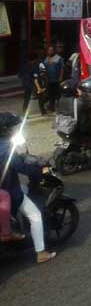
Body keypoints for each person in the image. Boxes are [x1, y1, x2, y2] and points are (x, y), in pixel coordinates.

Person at [0, 112, 56, 262]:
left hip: (5, 186)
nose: (14, 129)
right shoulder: (7, 147)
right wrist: (39, 171)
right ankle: (41, 253)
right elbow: (21, 167)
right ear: (6, 130)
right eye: (12, 127)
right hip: (8, 189)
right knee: (35, 215)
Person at [43, 46, 64, 112]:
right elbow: (44, 69)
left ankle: (60, 108)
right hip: (49, 80)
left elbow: (62, 68)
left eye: (52, 50)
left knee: (58, 95)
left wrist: (61, 77)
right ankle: (52, 108)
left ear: (54, 51)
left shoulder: (58, 58)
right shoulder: (46, 59)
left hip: (57, 80)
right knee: (50, 95)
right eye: (49, 50)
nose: (50, 52)